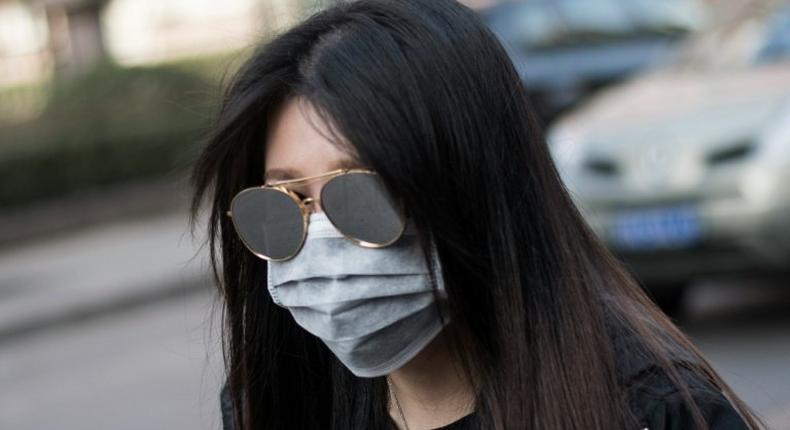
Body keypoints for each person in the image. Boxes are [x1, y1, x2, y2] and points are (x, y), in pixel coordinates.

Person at [188, 0, 766, 429]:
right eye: (281, 204)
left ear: (468, 185)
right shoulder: (273, 403)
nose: (322, 242)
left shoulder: (648, 411)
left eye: (360, 193)